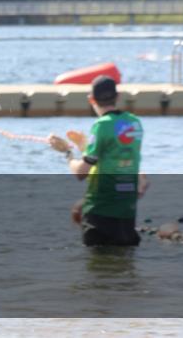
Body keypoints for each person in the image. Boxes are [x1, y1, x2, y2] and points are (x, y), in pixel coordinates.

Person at [48, 76, 145, 247]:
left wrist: (67, 153)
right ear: (118, 96)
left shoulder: (102, 125)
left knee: (99, 269)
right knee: (125, 266)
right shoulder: (134, 123)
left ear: (91, 99)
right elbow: (116, 156)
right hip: (127, 213)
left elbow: (81, 173)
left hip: (101, 213)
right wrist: (84, 146)